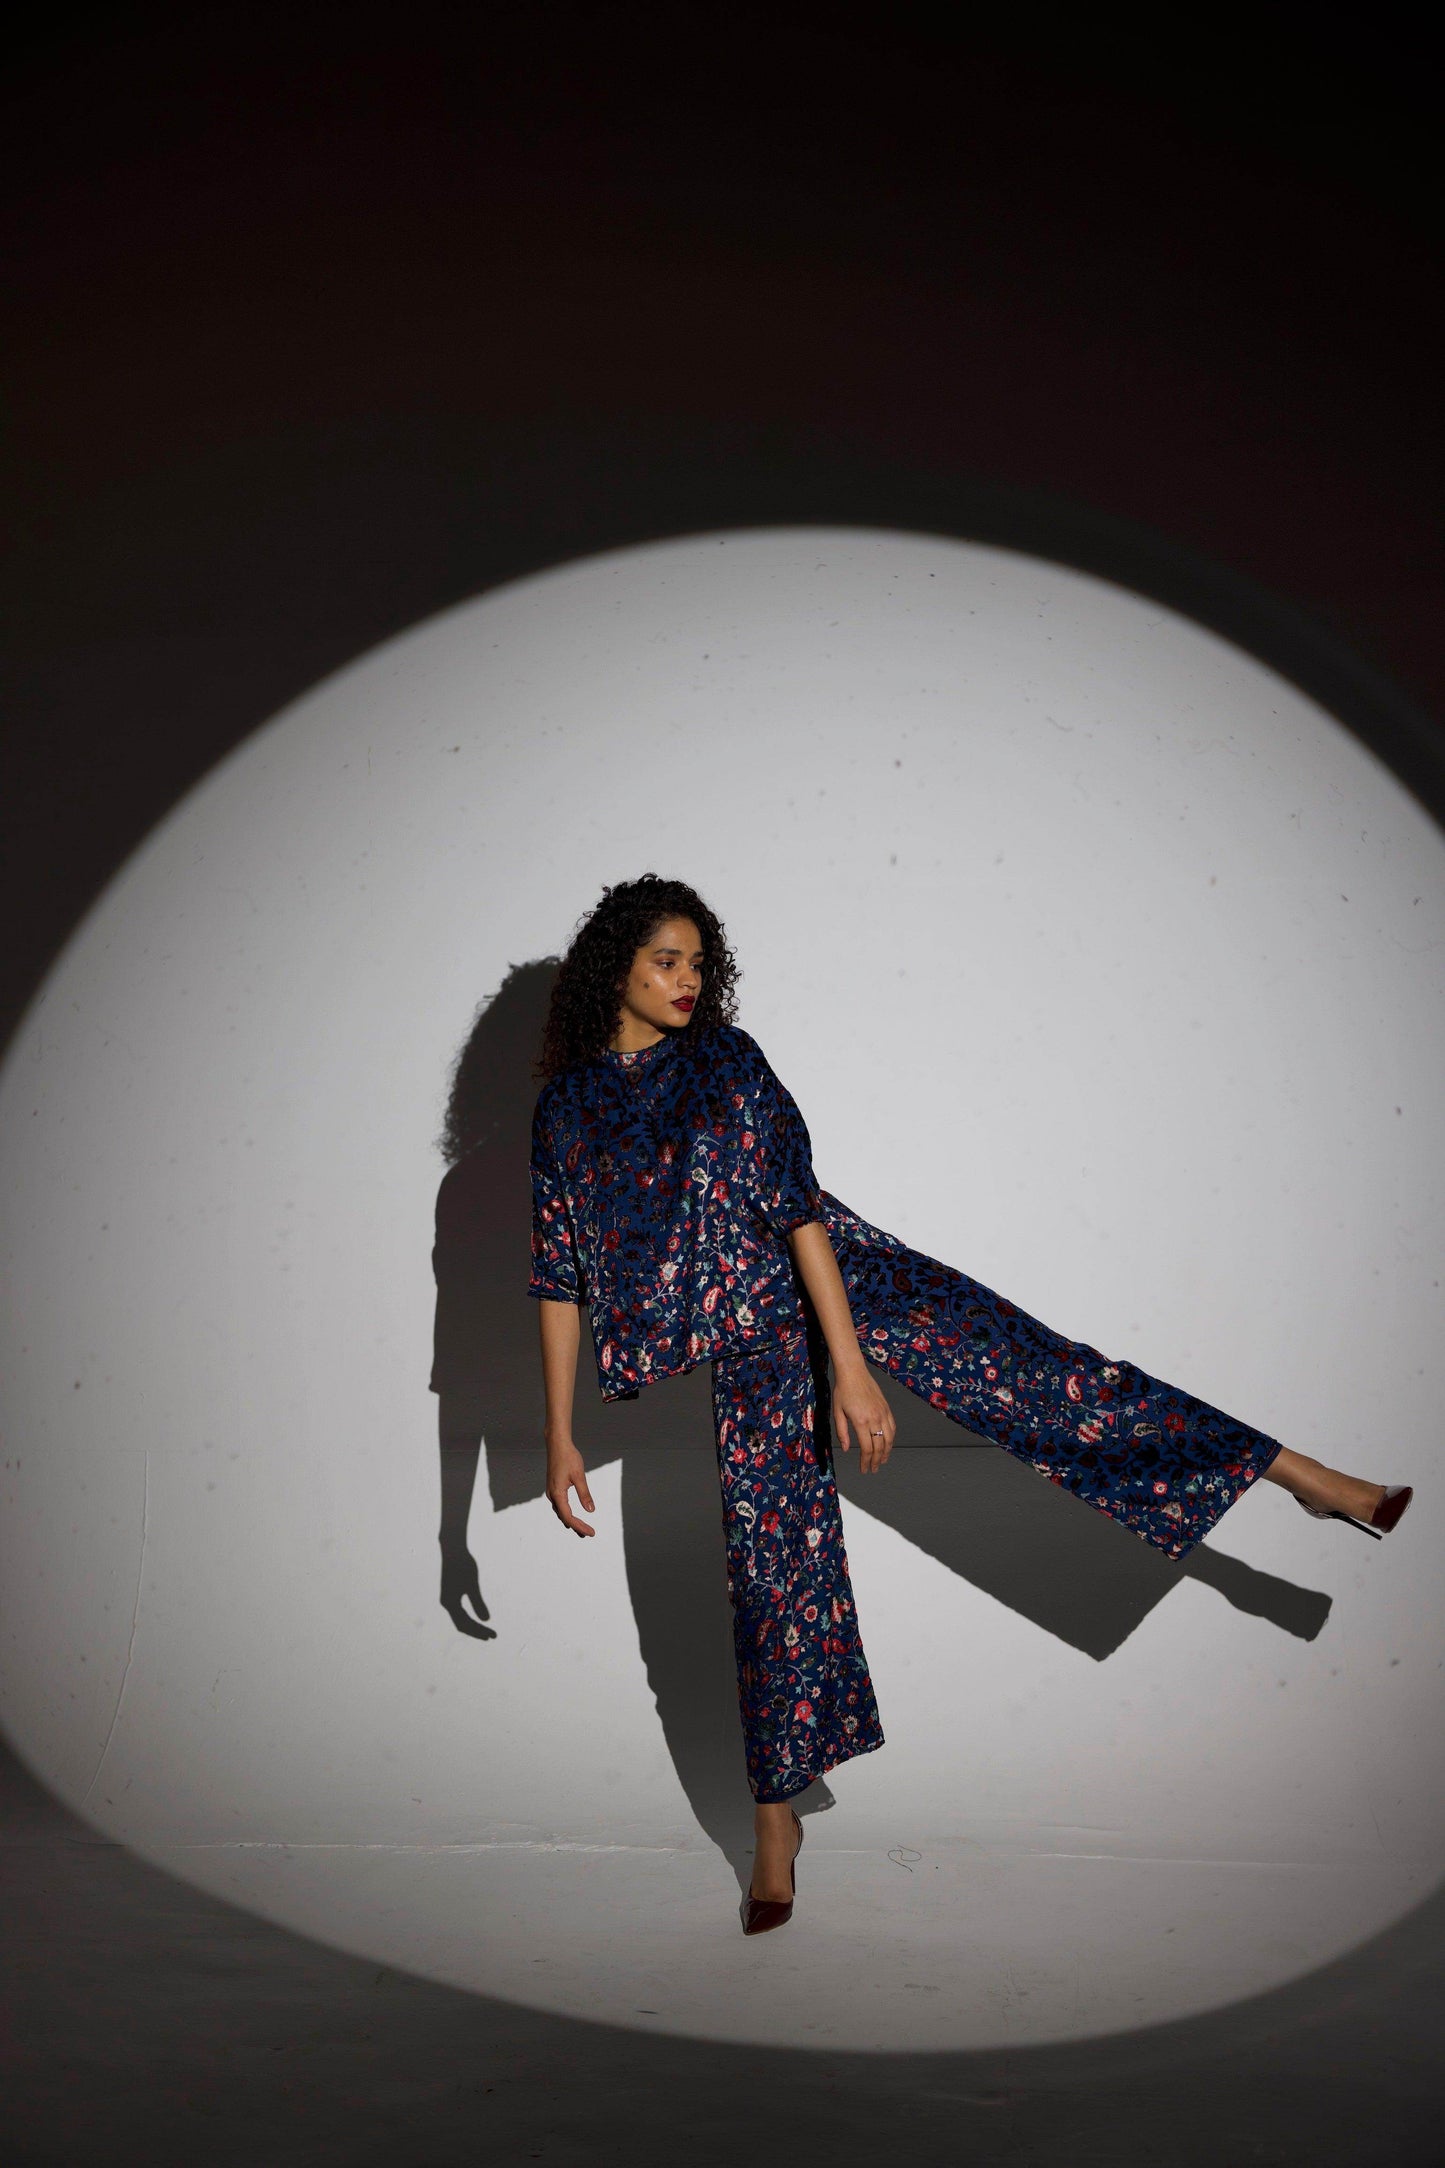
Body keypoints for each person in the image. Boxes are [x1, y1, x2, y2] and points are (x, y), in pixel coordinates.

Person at [527, 874, 1414, 1936]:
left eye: (698, 962)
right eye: (666, 960)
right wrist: (558, 1432)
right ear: (615, 966)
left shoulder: (726, 1058)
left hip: (849, 1282)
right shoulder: (567, 1109)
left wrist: (851, 1365)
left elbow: (798, 1210)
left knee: (1057, 1384)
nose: (687, 980)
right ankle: (774, 1823)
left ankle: (1302, 1475)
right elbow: (557, 1275)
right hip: (752, 1345)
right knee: (769, 1575)